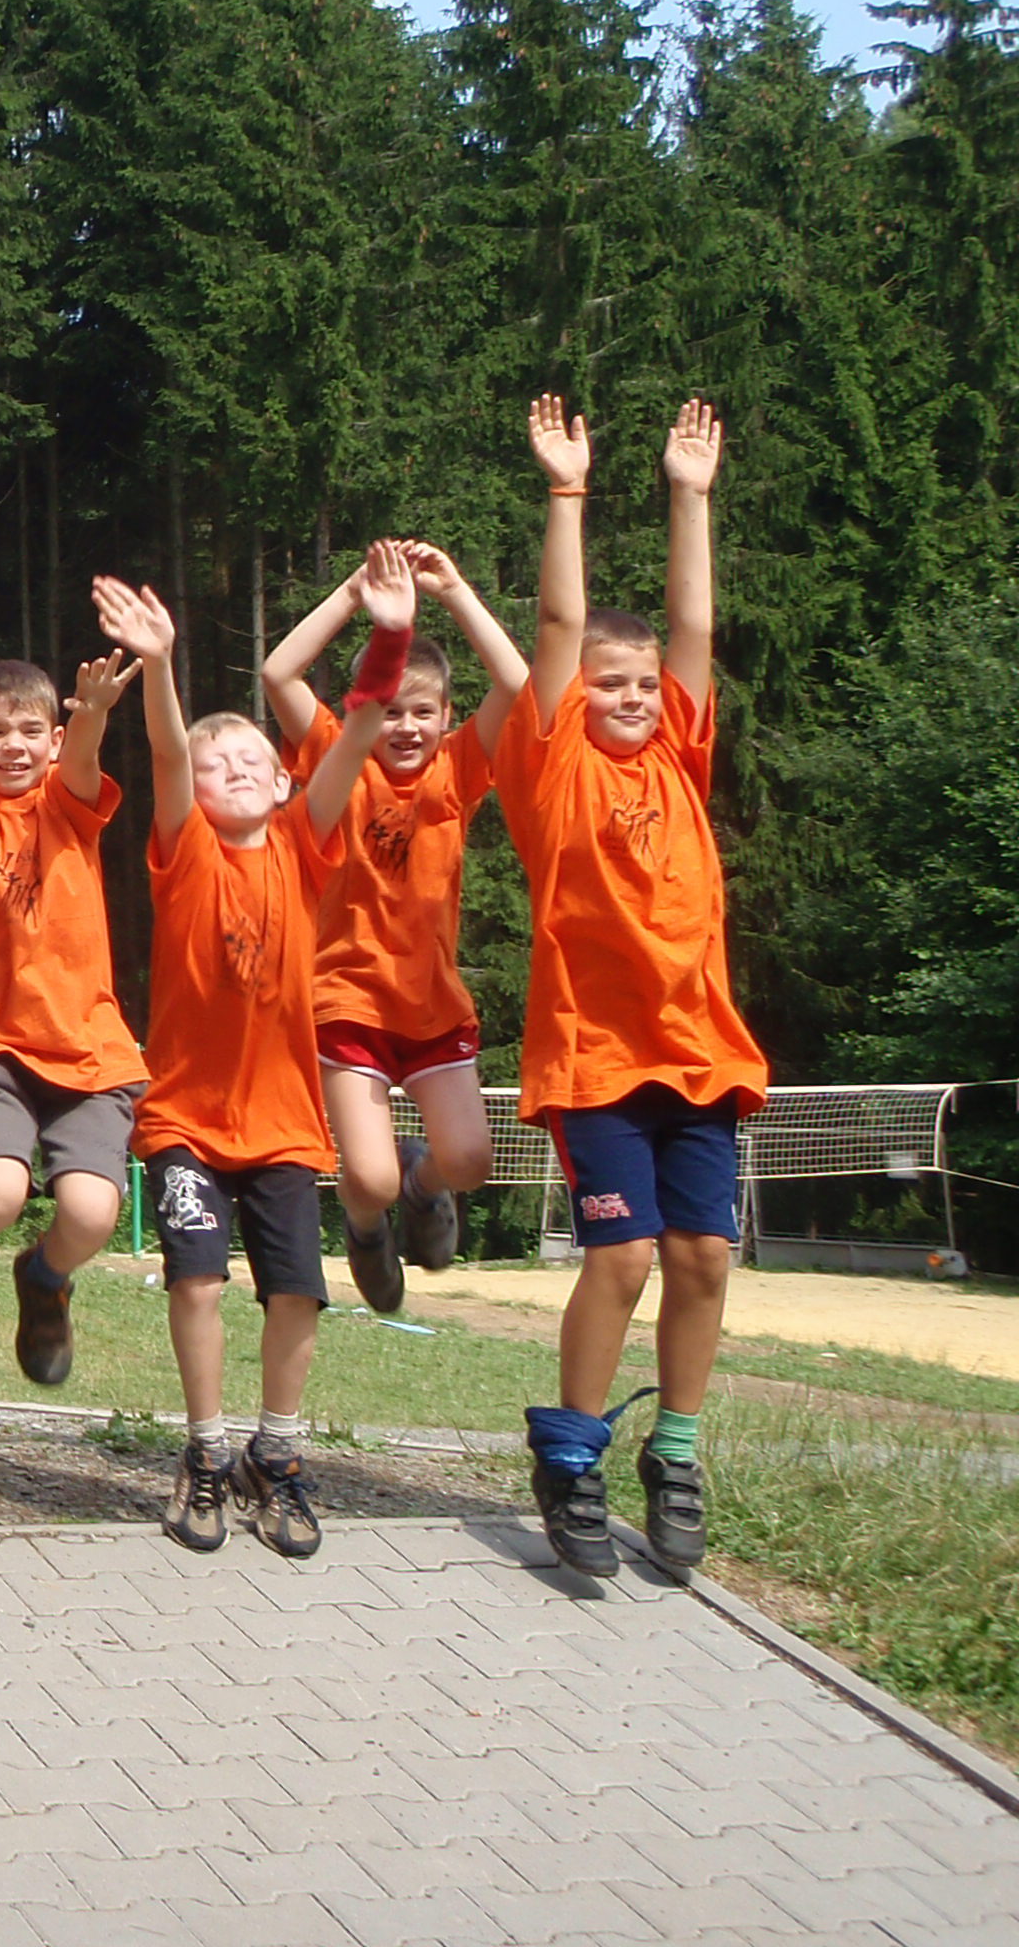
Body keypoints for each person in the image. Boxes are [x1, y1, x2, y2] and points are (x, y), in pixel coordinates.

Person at [94, 556, 407, 1559]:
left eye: (250, 759)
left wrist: (387, 630)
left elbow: (357, 728)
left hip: (281, 1126)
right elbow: (166, 751)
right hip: (186, 1121)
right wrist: (160, 667)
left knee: (297, 1291)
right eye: (214, 761)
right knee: (196, 1280)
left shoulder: (305, 846)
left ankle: (276, 1453)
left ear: (283, 782)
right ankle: (205, 1447)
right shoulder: (182, 848)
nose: (230, 767)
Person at [504, 397, 767, 1577]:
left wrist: (690, 496)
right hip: (596, 1059)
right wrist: (568, 490)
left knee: (704, 1258)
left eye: (645, 687)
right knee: (620, 1257)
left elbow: (693, 625)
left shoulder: (678, 752)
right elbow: (562, 621)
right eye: (611, 684)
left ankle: (677, 1450)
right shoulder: (554, 761)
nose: (632, 698)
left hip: (699, 1052)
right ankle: (571, 1455)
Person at [260, 542, 531, 1312]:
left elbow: (519, 684)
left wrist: (455, 591)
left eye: (424, 713)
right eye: (391, 711)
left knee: (470, 1161)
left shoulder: (457, 770)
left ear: (447, 718)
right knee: (368, 1178)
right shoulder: (339, 759)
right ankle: (366, 1223)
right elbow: (279, 674)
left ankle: (422, 1183)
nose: (406, 727)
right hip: (346, 1002)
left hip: (431, 1006)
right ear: (363, 711)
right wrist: (352, 593)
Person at [0, 650, 148, 1387]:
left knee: (92, 1214)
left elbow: (83, 763)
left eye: (29, 731)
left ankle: (44, 1278)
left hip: (89, 1047)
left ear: (53, 741)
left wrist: (94, 713)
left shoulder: (69, 807)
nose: (12, 746)